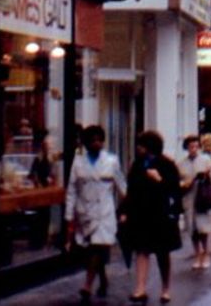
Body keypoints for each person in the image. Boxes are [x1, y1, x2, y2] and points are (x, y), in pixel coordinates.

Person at [64, 125, 126, 302]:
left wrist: (126, 210)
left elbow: (122, 187)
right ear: (85, 143)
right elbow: (72, 190)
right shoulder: (78, 163)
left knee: (97, 247)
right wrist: (69, 216)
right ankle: (103, 279)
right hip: (85, 212)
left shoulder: (111, 161)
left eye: (99, 140)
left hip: (104, 212)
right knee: (93, 249)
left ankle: (87, 285)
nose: (96, 143)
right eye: (92, 141)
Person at [121, 130, 182, 303]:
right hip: (141, 214)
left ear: (149, 147)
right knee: (141, 250)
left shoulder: (167, 164)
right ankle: (140, 287)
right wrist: (125, 211)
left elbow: (174, 189)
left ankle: (165, 289)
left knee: (163, 253)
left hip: (160, 214)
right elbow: (130, 190)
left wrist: (159, 180)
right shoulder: (137, 165)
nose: (138, 148)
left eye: (141, 145)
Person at [178, 135, 211, 269]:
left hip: (202, 197)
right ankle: (197, 254)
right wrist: (183, 184)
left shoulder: (205, 160)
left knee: (203, 228)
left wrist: (205, 176)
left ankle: (206, 254)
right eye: (190, 147)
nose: (193, 149)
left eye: (195, 146)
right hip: (189, 198)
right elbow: (178, 180)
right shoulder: (182, 163)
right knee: (192, 229)